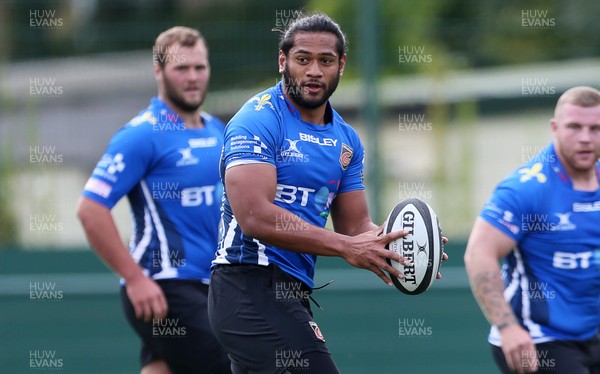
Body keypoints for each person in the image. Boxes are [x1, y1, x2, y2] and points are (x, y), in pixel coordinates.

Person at [207, 13, 447, 374]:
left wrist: (400, 245)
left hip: (292, 293)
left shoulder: (346, 140)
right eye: (303, 59)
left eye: (326, 61)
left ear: (341, 65)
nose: (314, 71)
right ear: (282, 61)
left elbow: (355, 226)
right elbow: (254, 215)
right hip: (247, 287)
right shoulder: (256, 119)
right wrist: (347, 247)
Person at [77, 26, 231, 374]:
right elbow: (90, 209)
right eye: (181, 69)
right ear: (158, 71)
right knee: (231, 365)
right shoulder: (142, 135)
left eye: (199, 67)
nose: (193, 78)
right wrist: (134, 279)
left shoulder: (217, 130)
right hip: (165, 285)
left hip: (213, 286)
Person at [464, 86, 600, 374]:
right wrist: (508, 328)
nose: (586, 138)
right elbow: (479, 254)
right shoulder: (527, 188)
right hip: (537, 339)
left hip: (591, 333)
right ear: (555, 128)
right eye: (574, 127)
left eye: (595, 128)